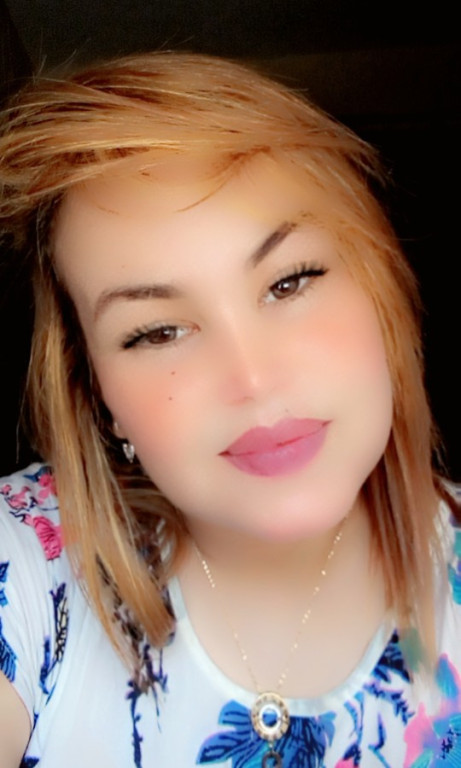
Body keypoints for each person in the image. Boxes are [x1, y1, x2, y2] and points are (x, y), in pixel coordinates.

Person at [0, 51, 459, 768]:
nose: (253, 379)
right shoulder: (27, 563)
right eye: (158, 331)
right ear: (98, 393)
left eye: (290, 282)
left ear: (382, 291)